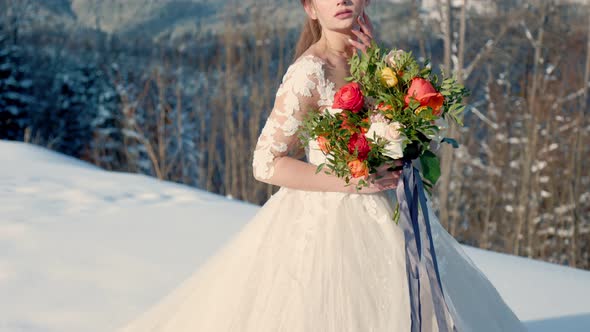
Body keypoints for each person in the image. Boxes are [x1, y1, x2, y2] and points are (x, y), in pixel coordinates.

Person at [117, 1, 528, 331]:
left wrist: (384, 74)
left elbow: (397, 127)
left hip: (390, 208)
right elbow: (265, 163)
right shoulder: (308, 73)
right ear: (310, 9)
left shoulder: (375, 59)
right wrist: (350, 179)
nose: (343, 0)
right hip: (330, 220)